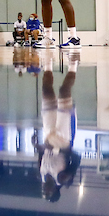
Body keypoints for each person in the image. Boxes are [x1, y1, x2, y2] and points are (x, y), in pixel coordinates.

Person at [33, 61, 80, 202]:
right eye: (47, 193)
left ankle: (47, 61)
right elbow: (77, 158)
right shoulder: (62, 178)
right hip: (63, 138)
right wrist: (57, 149)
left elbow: (42, 153)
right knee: (64, 91)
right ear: (54, 191)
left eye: (43, 192)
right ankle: (74, 64)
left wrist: (36, 145)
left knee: (46, 91)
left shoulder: (41, 175)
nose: (44, 190)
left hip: (48, 135)